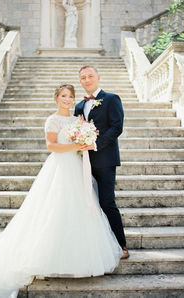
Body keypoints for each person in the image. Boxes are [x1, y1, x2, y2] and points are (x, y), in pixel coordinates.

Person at [0, 84, 123, 298]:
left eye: (70, 96)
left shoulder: (78, 119)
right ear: (57, 98)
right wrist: (76, 146)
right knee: (55, 208)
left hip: (77, 169)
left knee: (81, 208)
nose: (67, 100)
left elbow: (89, 136)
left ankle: (80, 257)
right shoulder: (53, 120)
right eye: (64, 96)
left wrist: (84, 141)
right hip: (59, 168)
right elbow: (51, 145)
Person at [74, 66, 130, 259]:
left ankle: (121, 245)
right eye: (83, 77)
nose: (87, 79)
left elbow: (117, 127)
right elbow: (76, 129)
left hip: (105, 160)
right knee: (87, 203)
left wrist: (95, 144)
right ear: (80, 81)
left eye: (90, 76)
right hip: (83, 161)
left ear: (98, 77)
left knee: (107, 202)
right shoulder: (80, 105)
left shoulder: (111, 99)